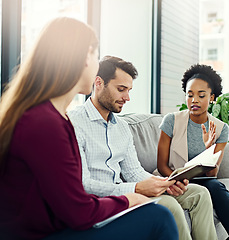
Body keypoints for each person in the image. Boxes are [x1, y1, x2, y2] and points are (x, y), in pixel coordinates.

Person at [0, 17, 177, 240]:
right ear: (84, 58)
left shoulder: (52, 117)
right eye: (95, 56)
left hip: (54, 225)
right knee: (158, 217)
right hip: (38, 234)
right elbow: (78, 211)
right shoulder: (45, 123)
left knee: (154, 212)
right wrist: (129, 198)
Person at [68, 56, 217, 240]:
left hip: (127, 189)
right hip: (104, 202)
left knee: (200, 193)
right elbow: (83, 185)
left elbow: (134, 172)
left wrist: (165, 183)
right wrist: (137, 188)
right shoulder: (74, 123)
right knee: (169, 206)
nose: (127, 98)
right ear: (98, 83)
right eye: (121, 89)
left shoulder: (121, 127)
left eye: (129, 90)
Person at [157, 64, 229, 240]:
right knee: (214, 189)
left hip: (203, 180)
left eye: (201, 95)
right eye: (190, 95)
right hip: (173, 178)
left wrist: (209, 147)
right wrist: (176, 181)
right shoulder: (171, 121)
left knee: (215, 186)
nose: (194, 100)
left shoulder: (221, 128)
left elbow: (213, 173)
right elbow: (161, 165)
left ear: (212, 97)